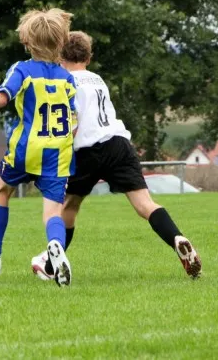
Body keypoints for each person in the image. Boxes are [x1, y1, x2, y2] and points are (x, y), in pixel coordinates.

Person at [26, 31, 202, 281]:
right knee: (145, 204)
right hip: (119, 144)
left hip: (87, 149)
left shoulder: (65, 81)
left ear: (60, 57)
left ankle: (52, 265)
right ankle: (177, 238)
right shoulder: (98, 79)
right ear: (88, 58)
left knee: (69, 205)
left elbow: (72, 123)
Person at [0, 8, 76, 287]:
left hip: (26, 149)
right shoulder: (67, 78)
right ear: (60, 42)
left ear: (27, 41)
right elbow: (74, 118)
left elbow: (3, 97)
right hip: (58, 152)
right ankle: (55, 246)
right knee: (53, 212)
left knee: (1, 191)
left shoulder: (22, 69)